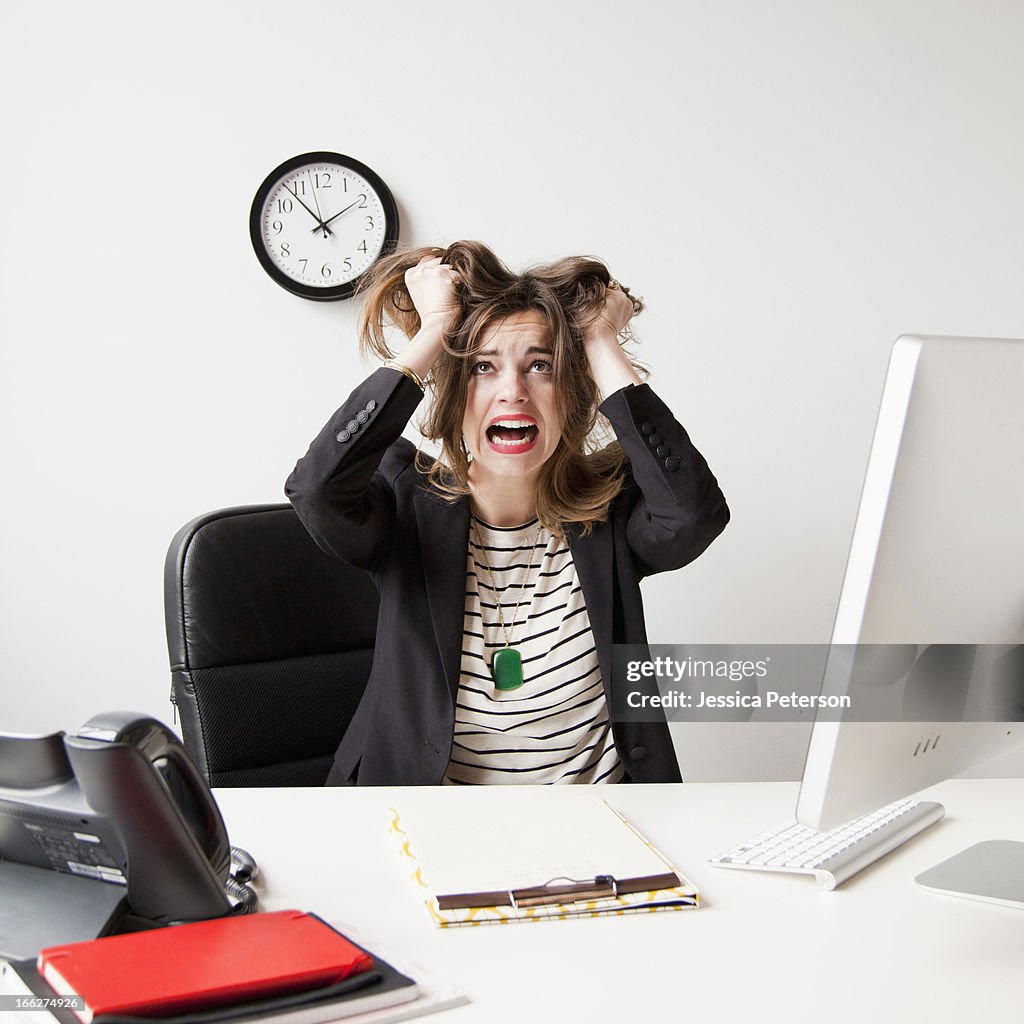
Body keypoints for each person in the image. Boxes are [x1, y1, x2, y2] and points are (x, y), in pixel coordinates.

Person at [286, 241, 729, 786]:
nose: (512, 392)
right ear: (452, 394)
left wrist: (598, 338)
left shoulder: (613, 507)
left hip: (603, 819)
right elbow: (315, 491)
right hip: (436, 824)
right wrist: (436, 331)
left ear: (571, 391)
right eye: (481, 369)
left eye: (540, 367)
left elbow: (694, 516)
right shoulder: (403, 498)